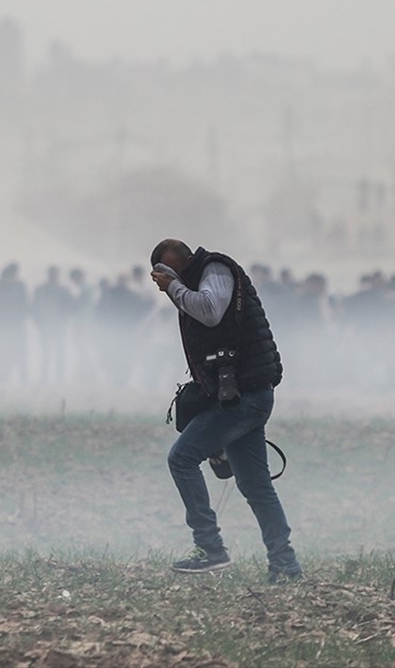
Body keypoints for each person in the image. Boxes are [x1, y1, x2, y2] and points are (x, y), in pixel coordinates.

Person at [149, 238, 302, 583]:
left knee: (182, 458)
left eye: (171, 270)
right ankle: (286, 566)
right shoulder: (199, 279)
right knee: (256, 485)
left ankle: (210, 548)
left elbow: (210, 310)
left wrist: (172, 285)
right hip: (243, 395)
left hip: (245, 396)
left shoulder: (215, 269)